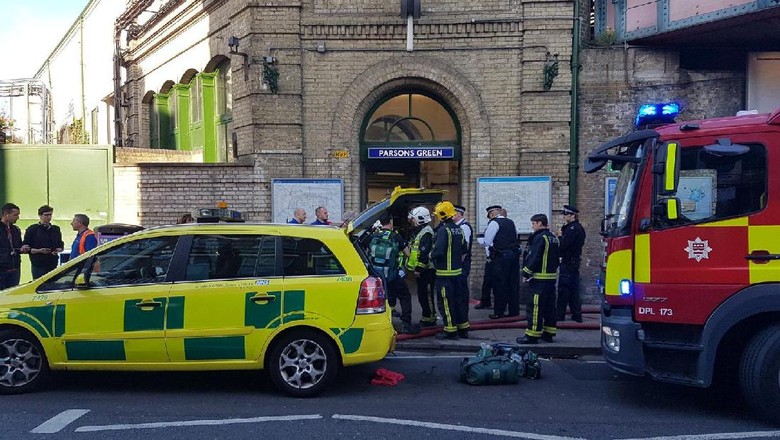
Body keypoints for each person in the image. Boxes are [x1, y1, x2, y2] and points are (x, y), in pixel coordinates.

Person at [368, 214, 418, 334]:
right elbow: (407, 254)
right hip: (392, 274)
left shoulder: (374, 236)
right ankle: (406, 324)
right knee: (405, 296)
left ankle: (385, 325)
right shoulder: (396, 237)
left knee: (384, 298)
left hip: (377, 276)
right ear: (390, 223)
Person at [517, 213, 560, 344]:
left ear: (540, 223)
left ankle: (532, 334)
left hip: (539, 279)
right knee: (549, 307)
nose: (532, 226)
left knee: (535, 307)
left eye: (534, 223)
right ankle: (549, 333)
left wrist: (526, 273)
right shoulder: (553, 238)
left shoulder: (540, 238)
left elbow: (534, 257)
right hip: (551, 278)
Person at [431, 201, 468, 339]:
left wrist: (430, 256)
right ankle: (463, 328)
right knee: (459, 302)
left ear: (441, 215)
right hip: (457, 273)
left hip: (444, 275)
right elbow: (465, 250)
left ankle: (450, 331)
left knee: (446, 303)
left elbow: (438, 252)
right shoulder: (460, 230)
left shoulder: (443, 230)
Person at [482, 205, 520, 319]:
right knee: (513, 284)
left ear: (492, 213)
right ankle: (514, 311)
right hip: (513, 256)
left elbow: (487, 241)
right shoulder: (511, 222)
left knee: (500, 285)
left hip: (501, 257)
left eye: (489, 215)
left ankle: (499, 311)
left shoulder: (494, 223)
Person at [405, 206, 437, 327]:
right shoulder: (421, 231)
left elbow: (424, 253)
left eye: (413, 219)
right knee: (422, 295)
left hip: (426, 271)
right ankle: (426, 316)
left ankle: (430, 318)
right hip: (422, 270)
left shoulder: (426, 233)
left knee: (427, 295)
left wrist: (418, 269)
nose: (412, 221)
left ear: (420, 218)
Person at [557, 204, 586, 323]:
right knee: (573, 289)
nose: (564, 217)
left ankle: (560, 315)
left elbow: (564, 245)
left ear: (572, 215)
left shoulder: (572, 229)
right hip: (573, 261)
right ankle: (576, 314)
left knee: (564, 289)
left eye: (566, 214)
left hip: (568, 262)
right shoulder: (576, 228)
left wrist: (559, 236)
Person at [22, 205, 64, 279]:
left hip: (52, 263)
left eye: (50, 215)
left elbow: (60, 244)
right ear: (40, 215)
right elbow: (26, 248)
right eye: (46, 215)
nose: (49, 217)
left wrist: (57, 250)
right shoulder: (32, 229)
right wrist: (39, 251)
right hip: (38, 264)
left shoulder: (56, 229)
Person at [0, 203, 29, 289]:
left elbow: (18, 246)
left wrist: (23, 248)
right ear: (6, 215)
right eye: (15, 215)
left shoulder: (16, 229)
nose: (18, 217)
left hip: (14, 269)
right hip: (2, 270)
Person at [453, 204, 473, 322]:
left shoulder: (464, 227)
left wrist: (458, 263)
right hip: (459, 264)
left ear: (459, 214)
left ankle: (462, 319)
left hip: (462, 264)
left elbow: (463, 249)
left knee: (461, 292)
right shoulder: (457, 226)